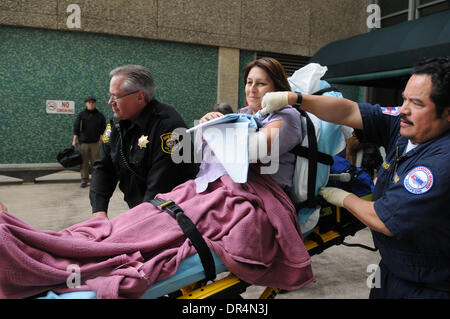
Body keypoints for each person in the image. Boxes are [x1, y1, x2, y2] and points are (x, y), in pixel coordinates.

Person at [0, 58, 314, 299]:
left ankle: (42, 263)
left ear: (278, 89)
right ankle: (35, 247)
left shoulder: (285, 117)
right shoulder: (248, 114)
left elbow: (255, 151)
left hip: (248, 196)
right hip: (206, 188)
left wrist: (224, 127)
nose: (252, 89)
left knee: (149, 232)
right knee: (117, 229)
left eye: (261, 84)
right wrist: (211, 128)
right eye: (248, 82)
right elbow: (108, 166)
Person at [260, 56, 450, 298]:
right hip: (391, 272)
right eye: (404, 99)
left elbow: (384, 219)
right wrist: (296, 99)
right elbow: (348, 110)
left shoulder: (440, 163)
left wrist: (343, 198)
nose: (404, 109)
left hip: (428, 287)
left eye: (417, 103)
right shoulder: (406, 129)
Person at [90, 65, 199, 218]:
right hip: (142, 210)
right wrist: (99, 212)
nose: (110, 102)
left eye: (116, 97)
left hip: (173, 214)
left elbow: (160, 189)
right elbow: (104, 168)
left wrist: (135, 223)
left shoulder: (170, 128)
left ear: (140, 97)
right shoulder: (116, 123)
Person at [72, 96, 107, 188]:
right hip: (83, 143)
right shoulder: (81, 115)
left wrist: (102, 141)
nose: (91, 104)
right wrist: (74, 141)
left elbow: (104, 129)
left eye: (92, 102)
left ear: (95, 104)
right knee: (84, 163)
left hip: (96, 143)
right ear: (86, 104)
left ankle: (95, 180)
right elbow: (76, 128)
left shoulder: (100, 115)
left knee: (96, 162)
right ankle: (84, 180)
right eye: (89, 102)